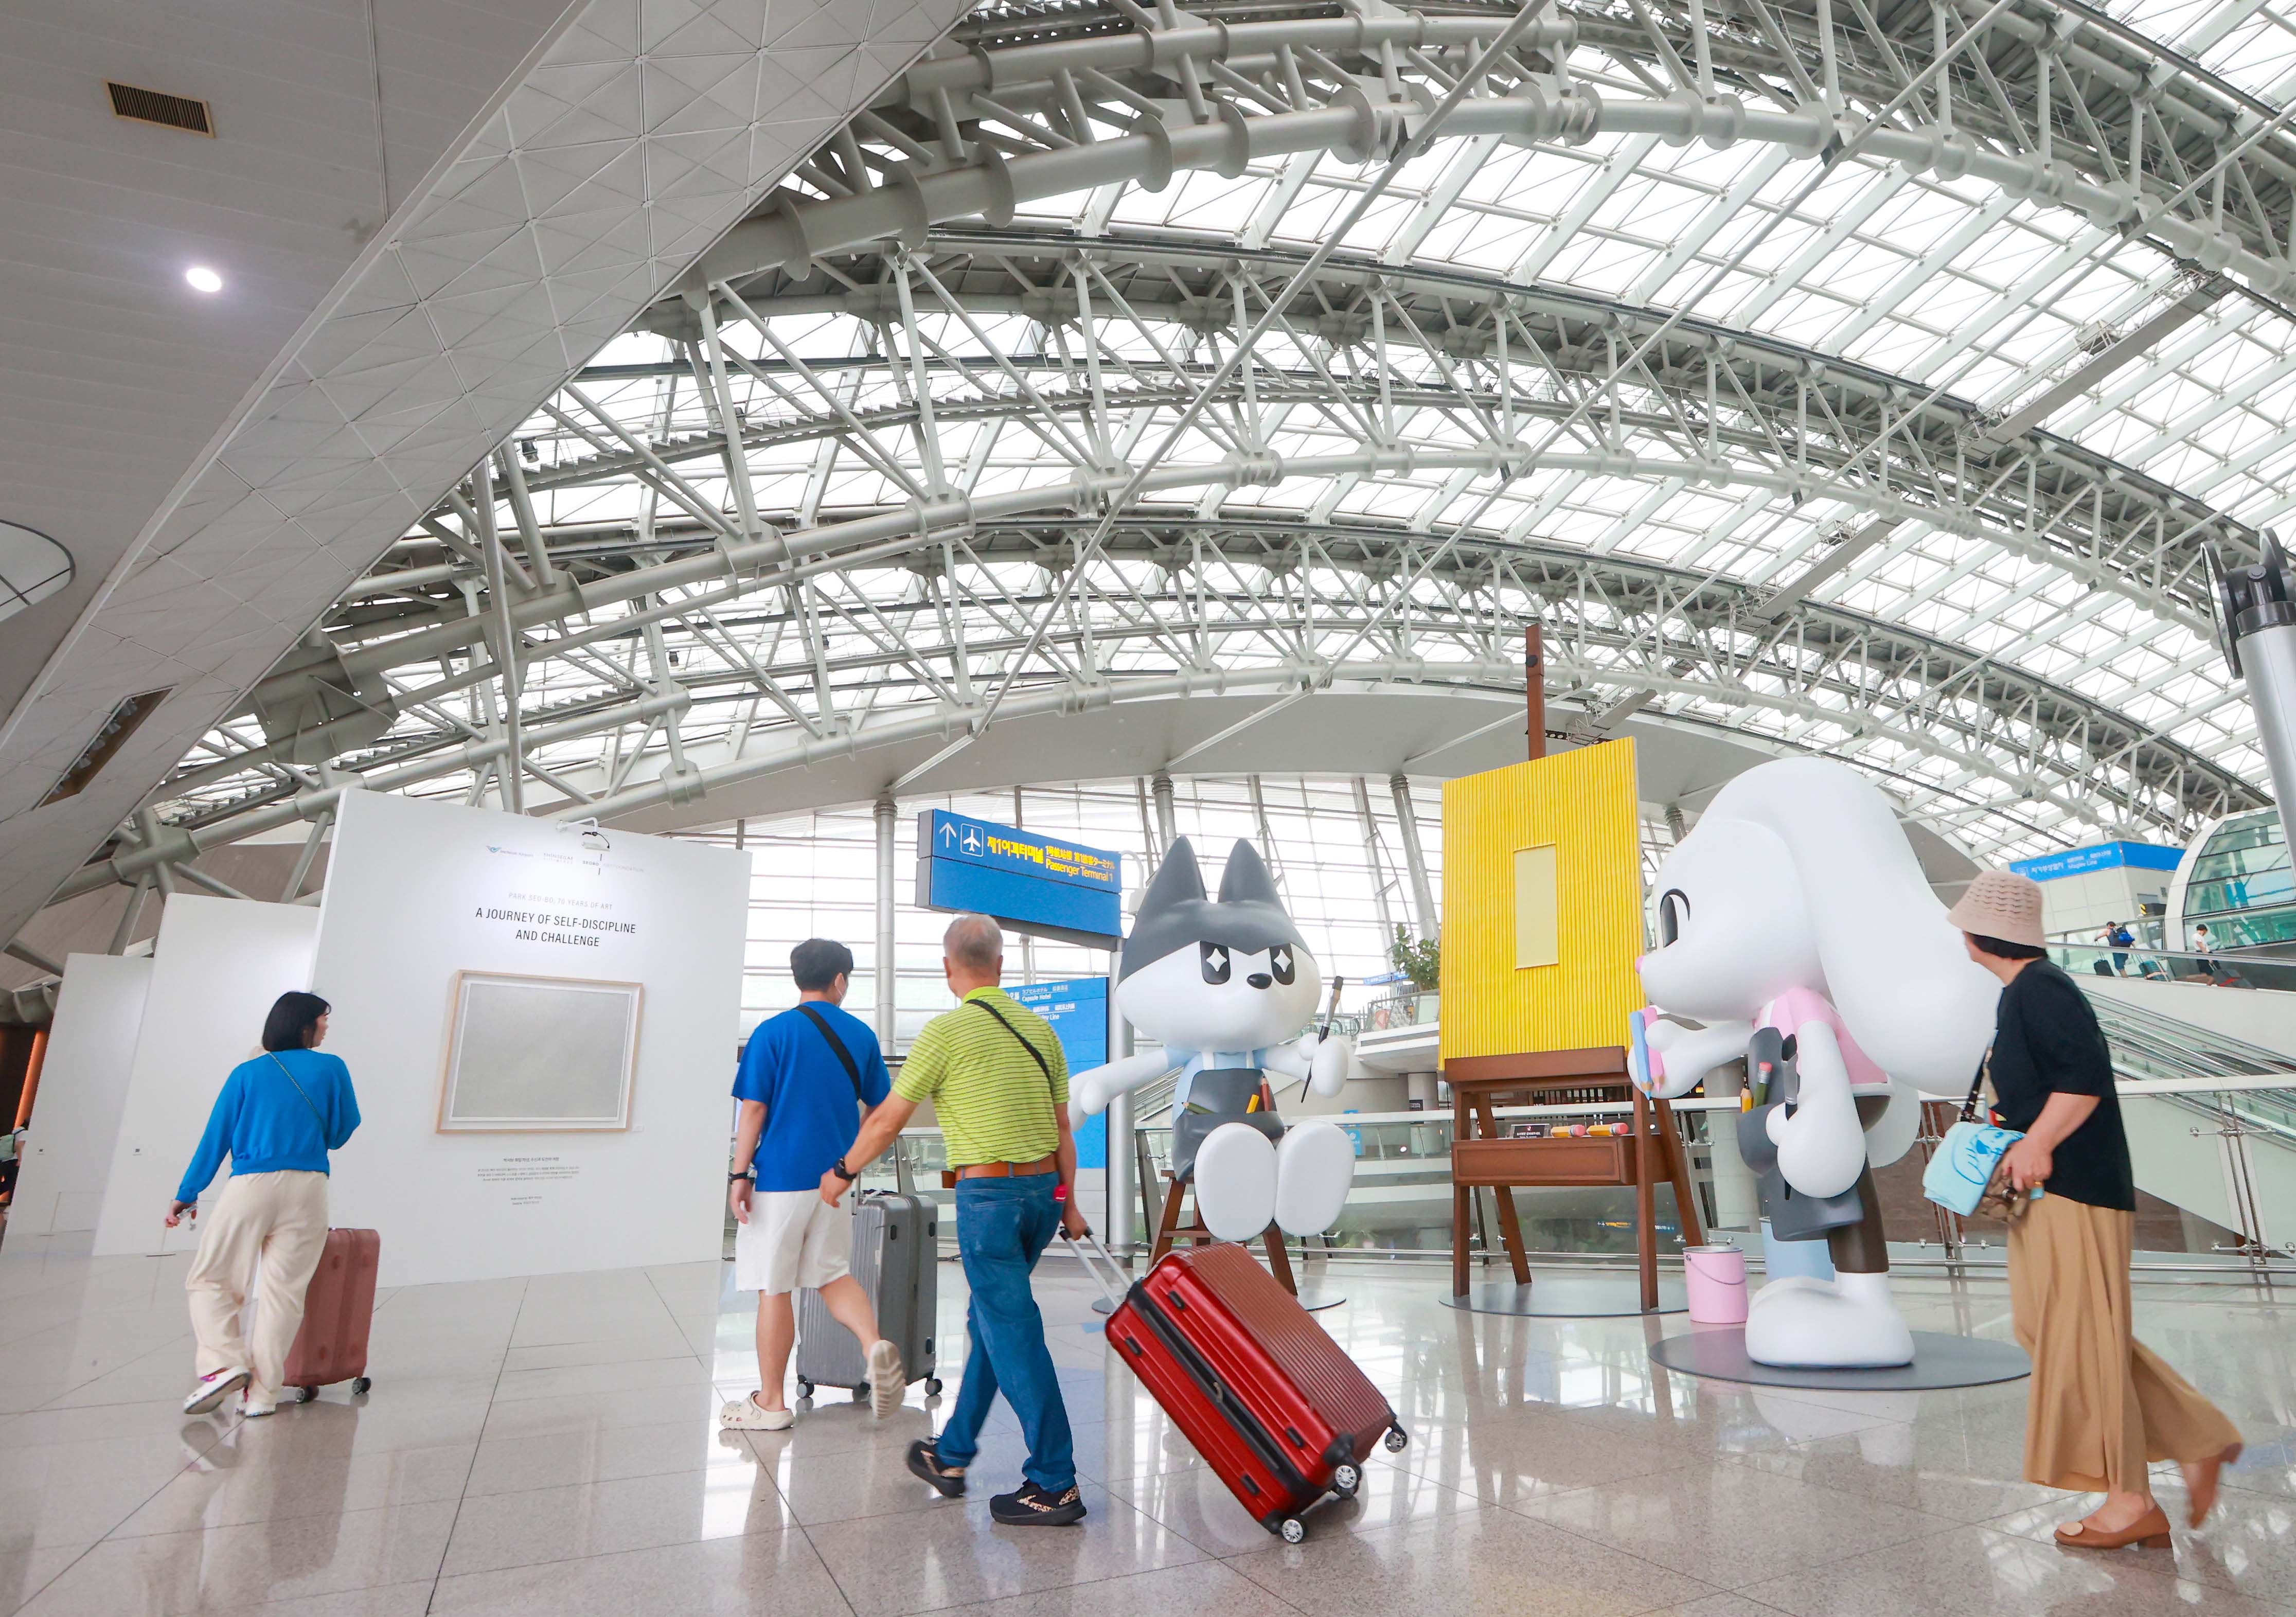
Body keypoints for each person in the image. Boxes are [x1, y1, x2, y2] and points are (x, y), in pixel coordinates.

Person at [1947, 870, 2241, 1549]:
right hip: (2051, 1191)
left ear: (1978, 933)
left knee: (2078, 1337)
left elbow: (2082, 1078)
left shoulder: (2039, 988)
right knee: (2055, 1329)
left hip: (2073, 1188)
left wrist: (2037, 1142)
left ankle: (2130, 1497)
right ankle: (2197, 1437)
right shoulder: (2020, 992)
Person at [830, 913, 1089, 1526]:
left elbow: (887, 1119)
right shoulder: (1041, 1030)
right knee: (992, 1322)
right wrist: (1070, 1202)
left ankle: (1054, 1480)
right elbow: (1062, 1127)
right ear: (999, 963)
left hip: (990, 1198)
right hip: (1042, 1195)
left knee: (1012, 1330)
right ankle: (949, 1454)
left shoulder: (944, 1032)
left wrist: (840, 1171)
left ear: (949, 968)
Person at [721, 938, 904, 1430]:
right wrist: (848, 1158)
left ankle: (771, 1402)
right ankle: (873, 1344)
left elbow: (753, 1110)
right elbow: (882, 1109)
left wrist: (739, 1174)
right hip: (834, 1182)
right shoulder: (862, 1036)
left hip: (779, 1180)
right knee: (832, 1274)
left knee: (774, 1286)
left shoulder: (772, 1032)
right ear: (839, 980)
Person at [169, 991, 360, 1418]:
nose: (327, 1026)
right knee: (284, 1293)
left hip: (252, 1184)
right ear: (304, 1024)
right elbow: (342, 1131)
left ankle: (224, 1364)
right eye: (323, 1018)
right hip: (310, 1186)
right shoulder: (333, 1067)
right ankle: (262, 1397)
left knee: (211, 1278)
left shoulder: (247, 1073)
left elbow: (216, 1136)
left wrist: (188, 1191)